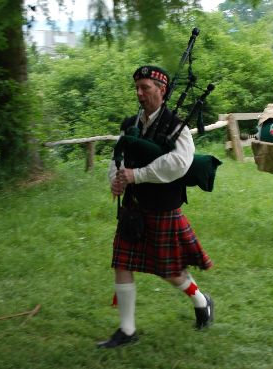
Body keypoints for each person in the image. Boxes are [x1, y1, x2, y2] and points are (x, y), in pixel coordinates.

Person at [98, 65, 214, 348]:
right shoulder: (130, 124)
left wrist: (137, 175)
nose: (139, 94)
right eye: (137, 88)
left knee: (170, 271)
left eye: (145, 88)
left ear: (161, 90)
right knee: (122, 263)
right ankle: (127, 330)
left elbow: (179, 163)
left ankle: (201, 300)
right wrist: (116, 180)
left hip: (163, 207)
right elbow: (119, 158)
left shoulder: (177, 125)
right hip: (134, 207)